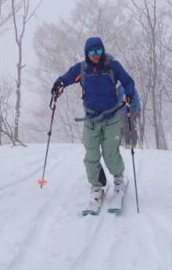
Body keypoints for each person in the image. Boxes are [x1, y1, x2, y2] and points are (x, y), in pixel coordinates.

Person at [52, 37, 137, 203]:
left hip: (111, 117)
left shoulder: (113, 66)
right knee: (91, 155)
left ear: (103, 50)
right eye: (92, 51)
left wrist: (129, 94)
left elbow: (128, 81)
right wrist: (58, 84)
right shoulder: (82, 68)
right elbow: (66, 78)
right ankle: (96, 186)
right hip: (91, 119)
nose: (96, 54)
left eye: (99, 50)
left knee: (110, 153)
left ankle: (118, 178)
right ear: (87, 53)